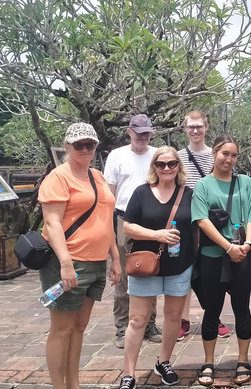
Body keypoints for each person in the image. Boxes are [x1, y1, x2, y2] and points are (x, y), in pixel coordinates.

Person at [39, 123, 121, 389]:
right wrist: (65, 263)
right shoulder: (59, 177)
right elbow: (52, 224)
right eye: (79, 145)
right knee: (61, 328)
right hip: (69, 260)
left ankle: (73, 383)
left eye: (90, 145)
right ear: (67, 146)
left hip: (96, 261)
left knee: (79, 327)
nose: (85, 149)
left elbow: (106, 220)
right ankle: (58, 386)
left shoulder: (96, 176)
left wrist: (115, 258)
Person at [118, 147, 195, 389]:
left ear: (178, 166)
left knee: (173, 317)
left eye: (171, 164)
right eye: (161, 164)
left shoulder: (189, 193)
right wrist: (156, 234)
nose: (166, 168)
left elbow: (198, 227)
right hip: (146, 263)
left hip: (179, 264)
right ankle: (128, 373)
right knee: (138, 319)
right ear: (154, 167)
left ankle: (164, 361)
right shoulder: (141, 193)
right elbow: (128, 226)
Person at [191, 134, 251, 386]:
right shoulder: (203, 185)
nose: (229, 159)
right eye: (225, 154)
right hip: (213, 255)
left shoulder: (243, 182)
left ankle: (243, 359)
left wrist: (247, 244)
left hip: (242, 254)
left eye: (234, 155)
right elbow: (201, 220)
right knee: (212, 310)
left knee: (241, 308)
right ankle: (208, 361)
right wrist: (227, 247)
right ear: (214, 153)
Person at [104, 114, 161, 348]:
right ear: (129, 132)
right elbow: (109, 195)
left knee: (152, 269)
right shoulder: (117, 156)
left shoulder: (157, 155)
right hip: (123, 218)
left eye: (147, 133)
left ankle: (150, 322)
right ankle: (122, 325)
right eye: (139, 133)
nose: (143, 137)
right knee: (123, 273)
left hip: (152, 220)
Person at [176, 110, 232, 341]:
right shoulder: (178, 157)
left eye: (199, 126)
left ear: (207, 127)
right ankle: (182, 319)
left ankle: (213, 316)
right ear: (185, 129)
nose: (196, 130)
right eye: (191, 127)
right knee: (184, 270)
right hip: (184, 220)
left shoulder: (217, 154)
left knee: (210, 271)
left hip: (211, 221)